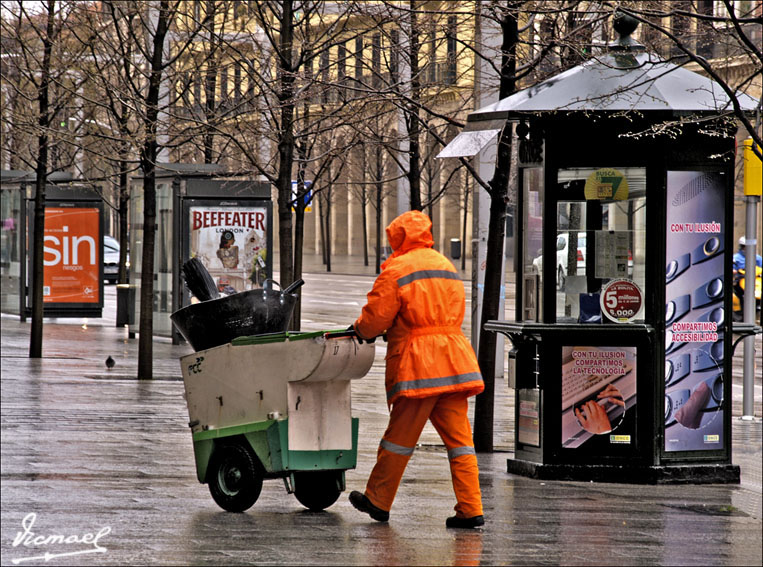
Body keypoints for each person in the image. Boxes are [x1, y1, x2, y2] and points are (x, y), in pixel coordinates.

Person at [348, 210, 485, 529]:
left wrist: (361, 330)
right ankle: (471, 507)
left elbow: (376, 318)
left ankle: (378, 500)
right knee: (460, 442)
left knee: (399, 437)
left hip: (420, 366)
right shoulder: (445, 265)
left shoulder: (397, 268)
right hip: (454, 362)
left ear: (397, 237)